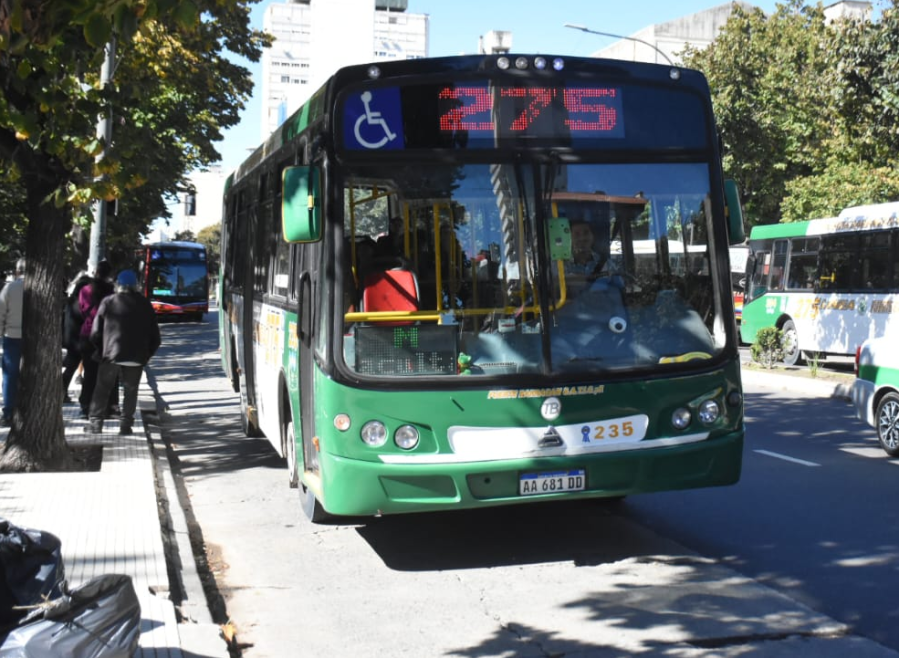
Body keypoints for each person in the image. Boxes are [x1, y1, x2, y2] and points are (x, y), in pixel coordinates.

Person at [86, 269, 161, 435]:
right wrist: (146, 355)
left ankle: (95, 424)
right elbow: (156, 337)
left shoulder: (108, 302)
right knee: (131, 391)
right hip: (136, 357)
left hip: (111, 355)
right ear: (136, 286)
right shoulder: (145, 304)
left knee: (102, 389)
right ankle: (126, 426)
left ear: (117, 285)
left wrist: (101, 350)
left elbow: (95, 333)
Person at [78, 260, 115, 418]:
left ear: (96, 272)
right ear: (109, 274)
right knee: (109, 374)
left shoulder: (85, 290)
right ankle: (108, 407)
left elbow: (82, 310)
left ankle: (86, 405)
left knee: (89, 373)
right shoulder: (112, 292)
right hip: (107, 335)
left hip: (88, 334)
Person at [0, 259, 25, 426]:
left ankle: (8, 412)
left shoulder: (10, 288)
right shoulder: (40, 289)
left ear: (17, 271)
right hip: (36, 338)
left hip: (12, 335)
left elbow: (1, 312)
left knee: (10, 374)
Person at [61, 271, 91, 402]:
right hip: (79, 340)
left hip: (70, 339)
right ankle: (63, 393)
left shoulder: (70, 301)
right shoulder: (82, 303)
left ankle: (62, 393)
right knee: (75, 368)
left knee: (70, 368)